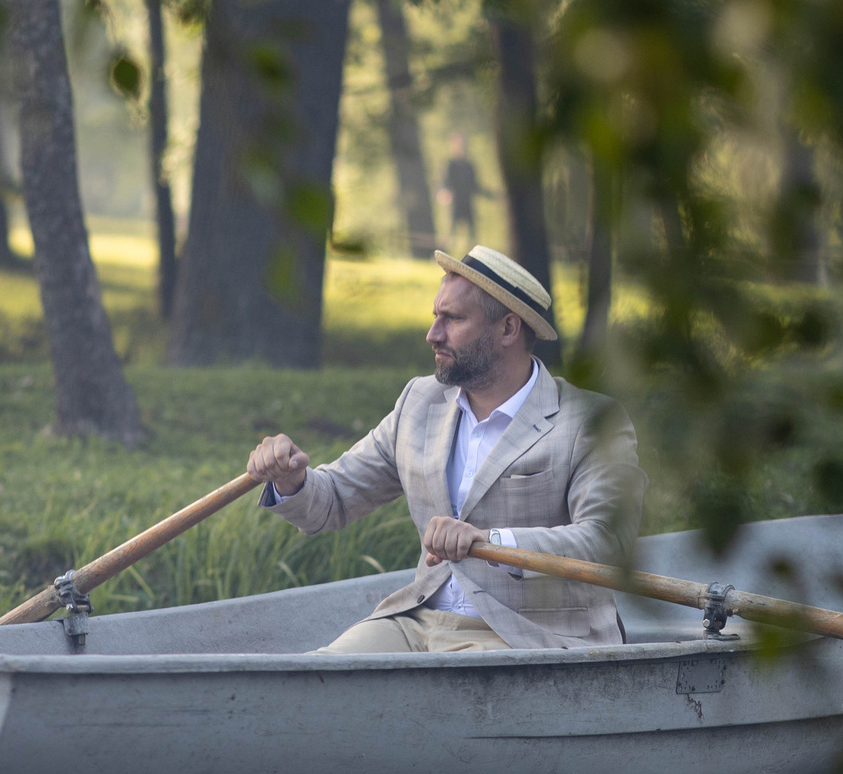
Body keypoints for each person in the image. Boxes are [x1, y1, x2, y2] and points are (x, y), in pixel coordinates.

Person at [247, 246, 646, 652]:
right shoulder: (420, 401)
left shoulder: (591, 421)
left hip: (525, 635)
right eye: (436, 316)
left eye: (452, 319)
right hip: (417, 622)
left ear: (508, 329)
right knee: (317, 680)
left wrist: (491, 541)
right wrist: (293, 481)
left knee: (445, 698)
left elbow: (607, 543)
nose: (433, 334)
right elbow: (333, 500)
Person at [439, 134, 486, 240]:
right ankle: (445, 252)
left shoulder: (469, 166)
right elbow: (445, 183)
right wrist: (444, 194)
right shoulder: (450, 165)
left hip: (467, 202)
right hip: (455, 202)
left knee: (472, 230)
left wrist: (490, 195)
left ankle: (473, 254)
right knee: (451, 230)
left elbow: (475, 185)